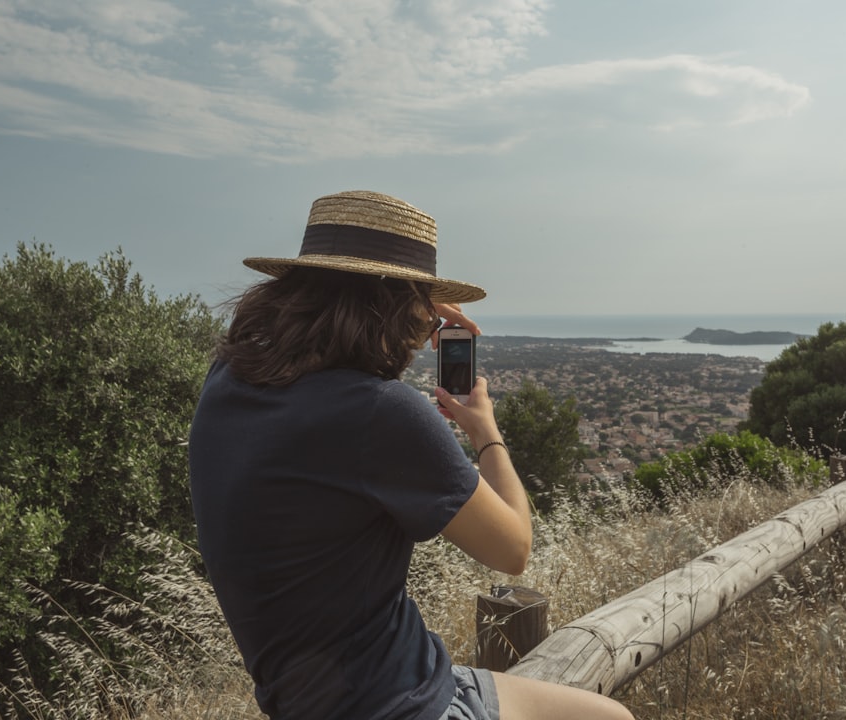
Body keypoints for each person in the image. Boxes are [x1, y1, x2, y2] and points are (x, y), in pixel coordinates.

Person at [188, 190, 633, 720]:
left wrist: (402, 304)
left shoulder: (226, 381)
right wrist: (486, 432)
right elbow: (513, 548)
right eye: (419, 307)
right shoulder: (379, 414)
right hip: (401, 703)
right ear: (394, 308)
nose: (424, 339)